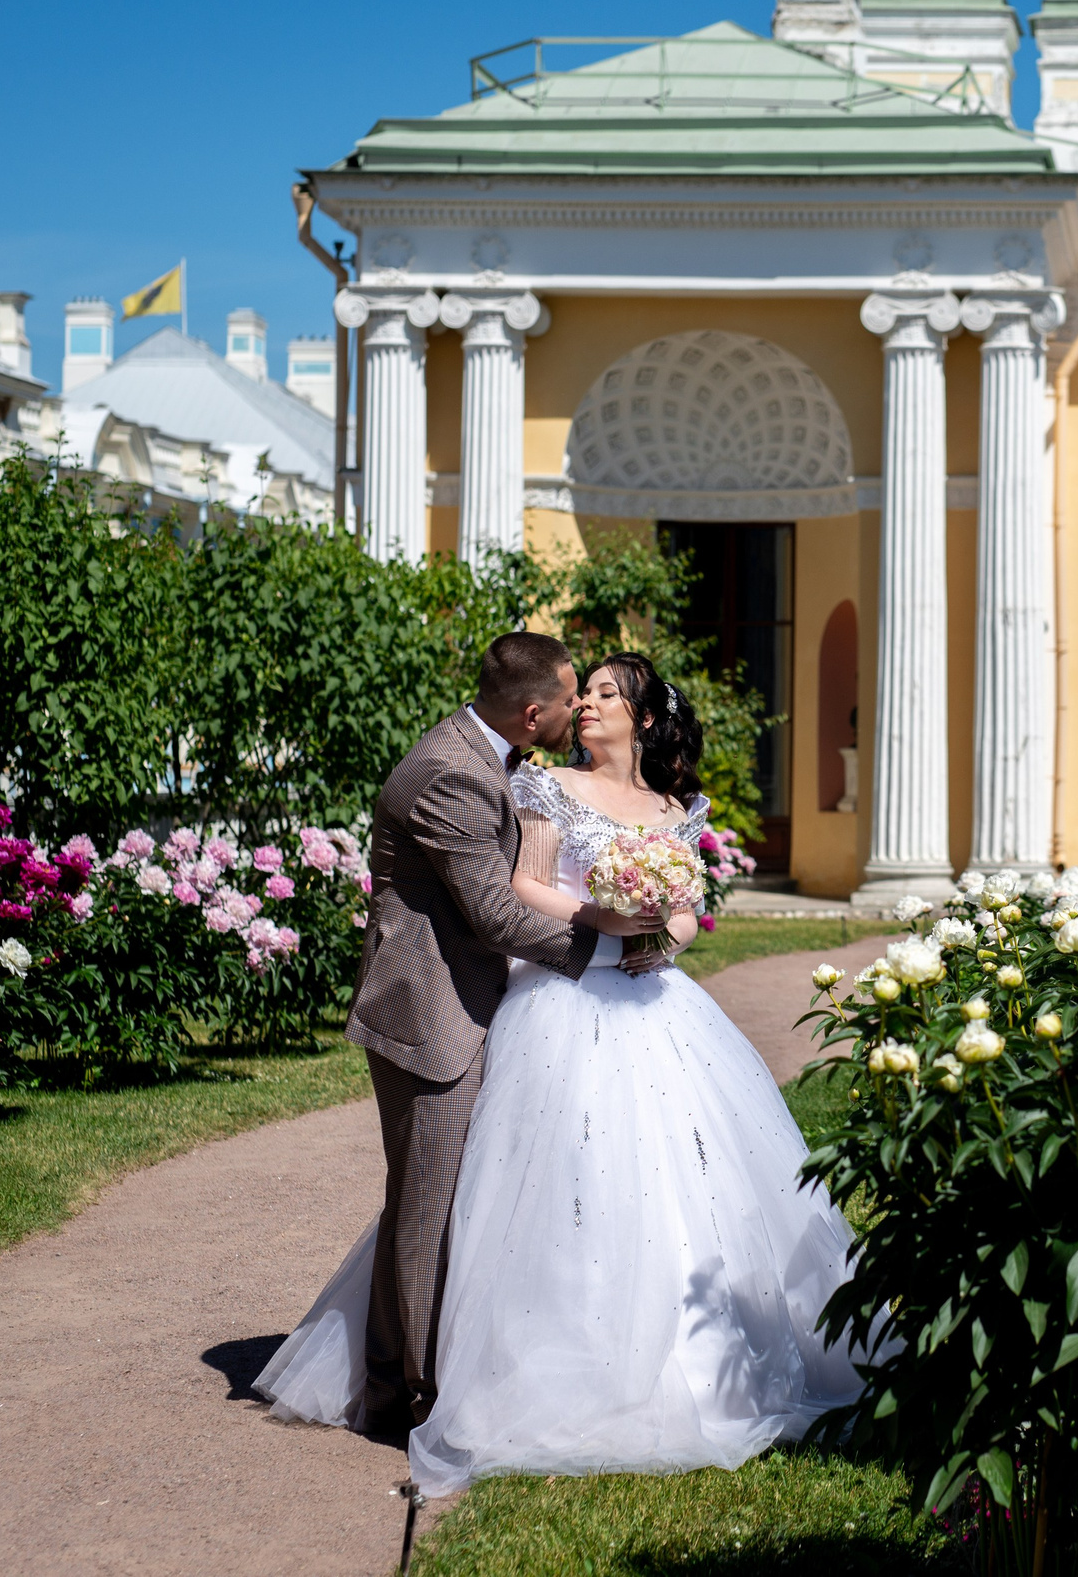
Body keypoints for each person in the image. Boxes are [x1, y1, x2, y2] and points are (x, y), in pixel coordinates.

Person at [258, 651, 862, 1494]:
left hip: (657, 1003)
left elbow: (686, 907)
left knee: (676, 1176)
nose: (587, 704)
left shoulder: (675, 807)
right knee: (527, 1178)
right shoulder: (547, 788)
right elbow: (521, 887)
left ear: (643, 718)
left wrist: (665, 932)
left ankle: (690, 1352)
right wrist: (607, 923)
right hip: (563, 1001)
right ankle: (453, 1368)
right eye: (583, 692)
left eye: (606, 693)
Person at [326, 631, 657, 1439]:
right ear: (532, 712)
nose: (581, 707)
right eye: (572, 696)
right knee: (429, 1208)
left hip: (470, 997)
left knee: (431, 1198)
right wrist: (616, 945)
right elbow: (497, 915)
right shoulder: (455, 772)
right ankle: (420, 1399)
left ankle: (390, 1382)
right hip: (430, 1010)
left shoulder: (492, 754)